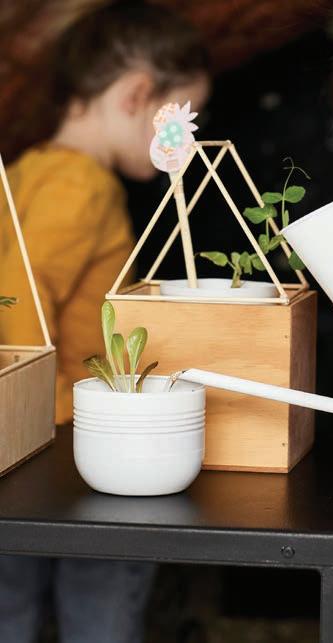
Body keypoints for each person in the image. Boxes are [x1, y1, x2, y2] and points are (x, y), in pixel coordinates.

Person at [0, 2, 210, 642]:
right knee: (104, 593)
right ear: (138, 95)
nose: (188, 144)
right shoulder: (81, 185)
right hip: (69, 433)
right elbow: (21, 296)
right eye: (184, 120)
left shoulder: (29, 169)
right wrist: (37, 409)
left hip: (29, 440)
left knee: (10, 595)